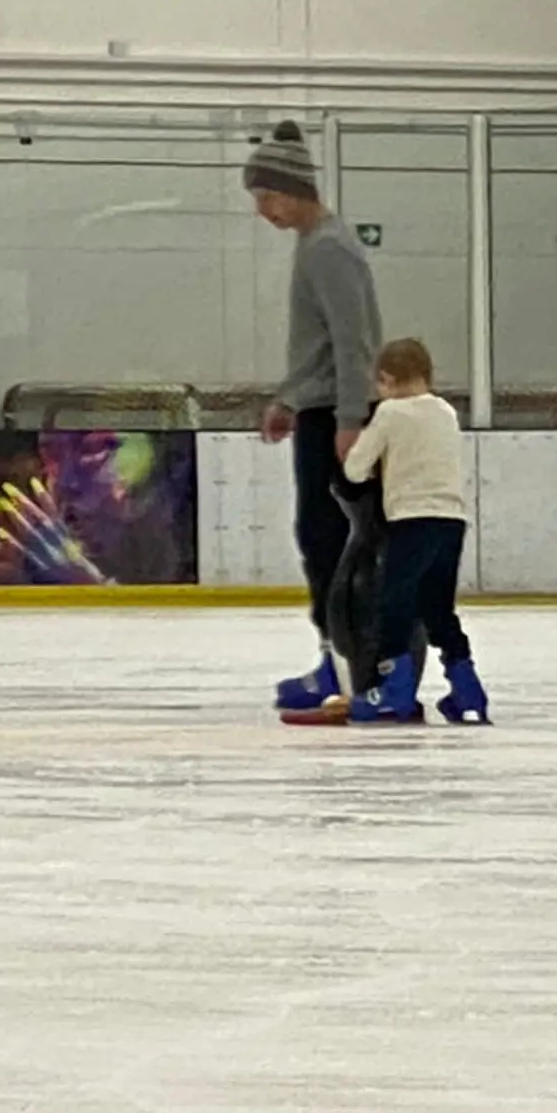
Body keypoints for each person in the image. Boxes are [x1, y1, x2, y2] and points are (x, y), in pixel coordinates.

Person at [244, 121, 383, 717]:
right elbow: (318, 346)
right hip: (321, 409)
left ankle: (355, 664)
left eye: (268, 197)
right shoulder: (314, 243)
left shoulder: (329, 247)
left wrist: (351, 419)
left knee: (332, 541)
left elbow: (355, 344)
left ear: (296, 189)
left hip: (339, 417)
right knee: (317, 538)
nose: (264, 211)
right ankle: (336, 656)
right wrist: (290, 399)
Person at [339, 338, 484, 727]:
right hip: (451, 521)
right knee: (438, 609)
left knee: (394, 605)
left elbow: (354, 468)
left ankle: (394, 692)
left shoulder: (389, 413)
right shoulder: (446, 412)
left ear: (386, 379)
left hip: (410, 520)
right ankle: (468, 691)